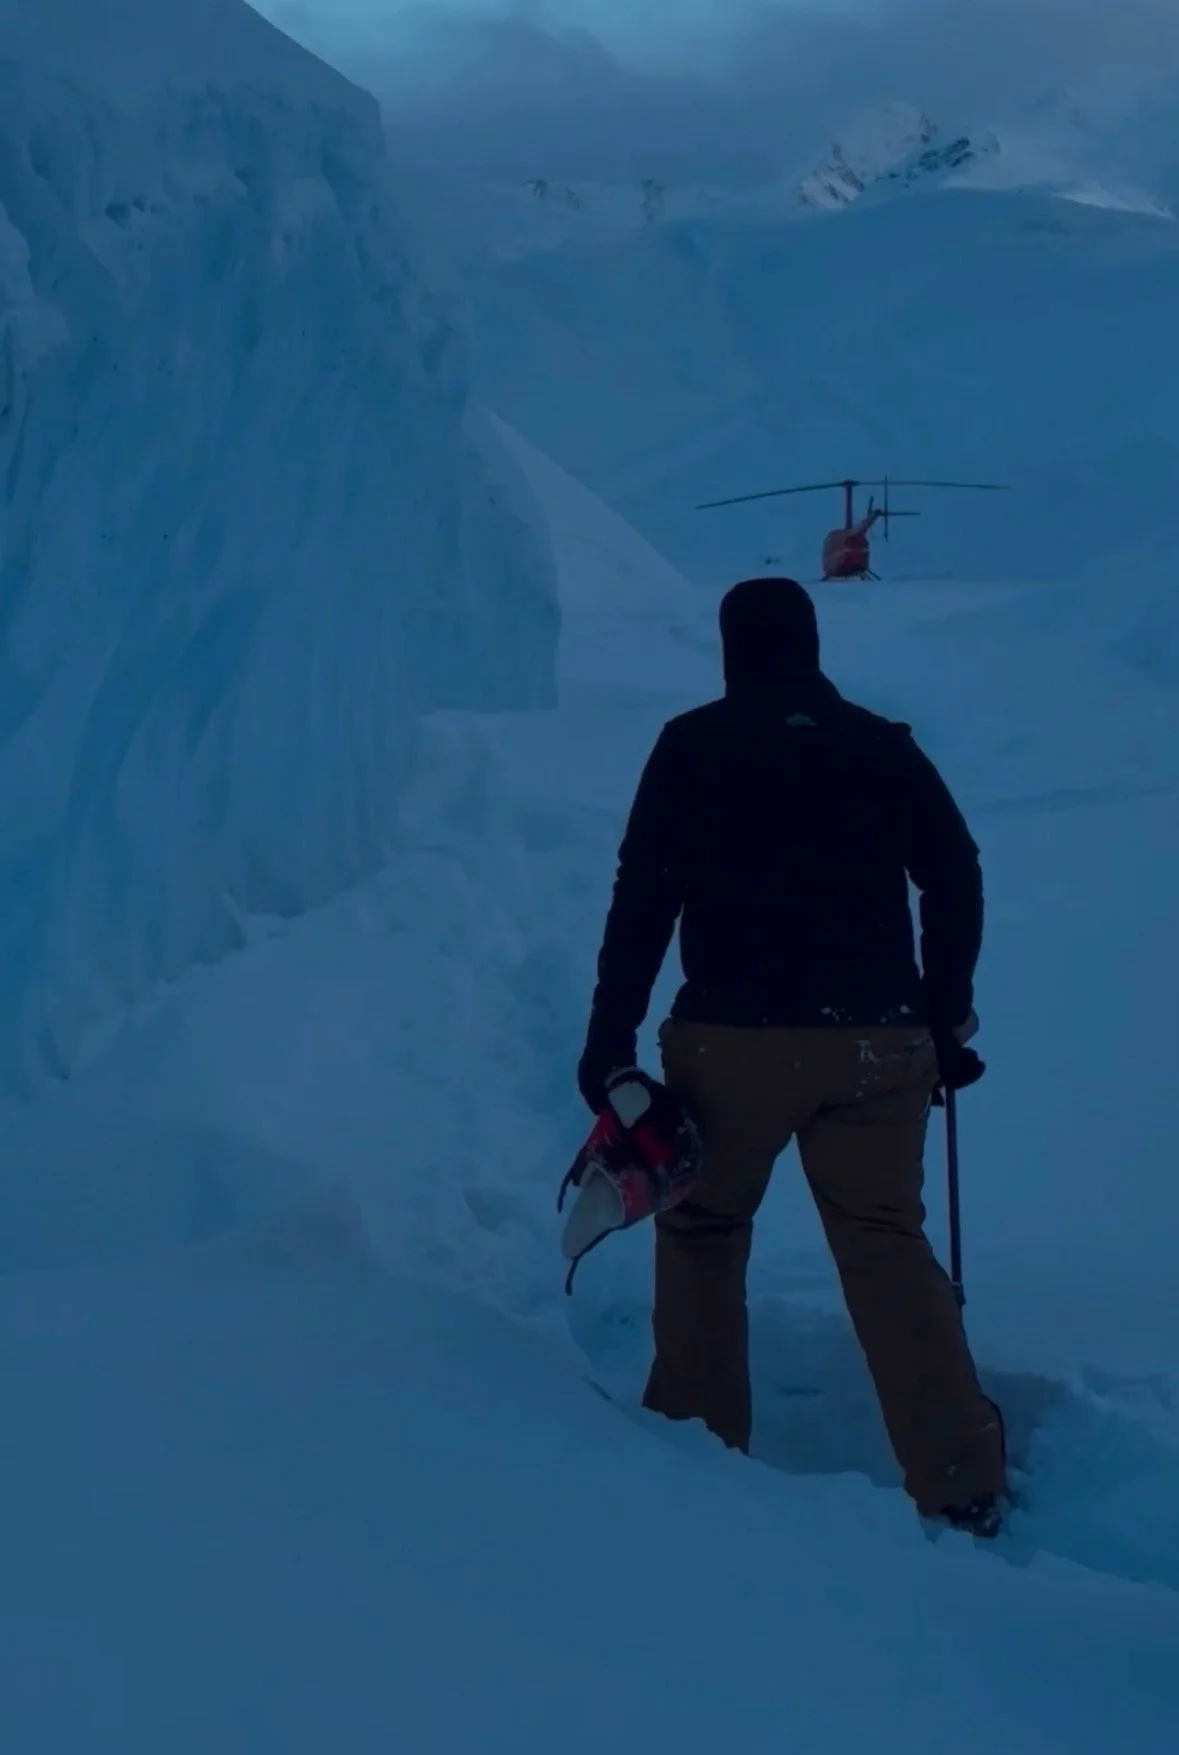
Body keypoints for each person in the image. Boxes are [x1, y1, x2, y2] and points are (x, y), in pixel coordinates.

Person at [577, 576, 1007, 1534]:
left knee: (702, 1230)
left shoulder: (693, 745)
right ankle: (961, 1477)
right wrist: (943, 1018)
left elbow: (640, 896)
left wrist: (607, 1039)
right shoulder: (881, 746)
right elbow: (954, 871)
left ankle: (698, 1459)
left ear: (732, 650)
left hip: (731, 1042)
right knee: (884, 1243)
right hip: (876, 1041)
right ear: (812, 647)